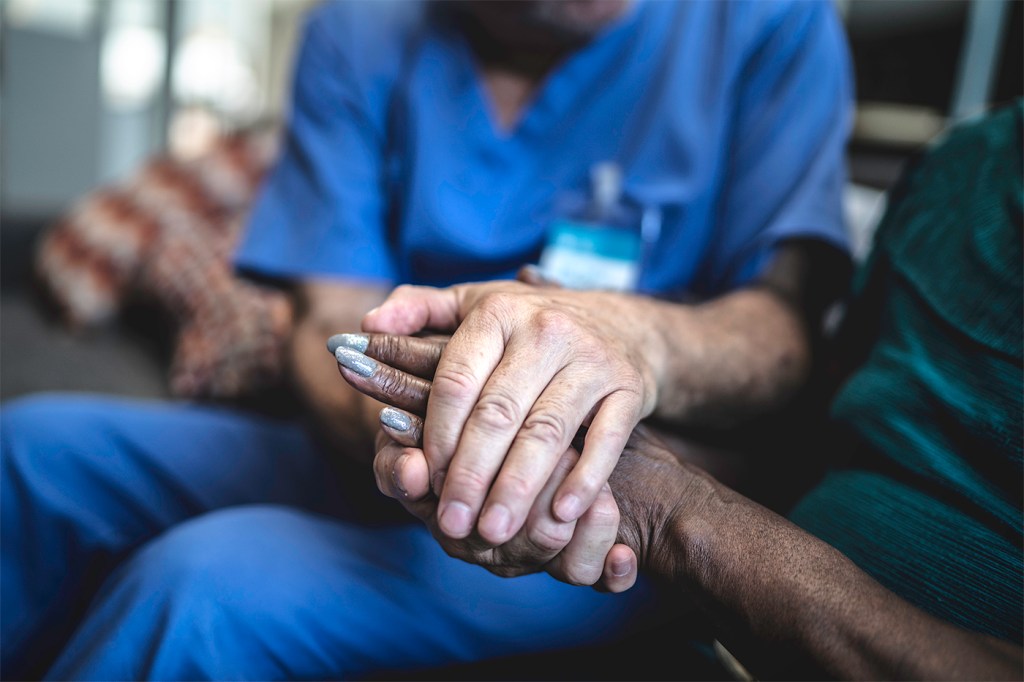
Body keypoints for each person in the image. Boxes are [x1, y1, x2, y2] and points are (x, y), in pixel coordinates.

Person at [1, 1, 853, 678]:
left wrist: (631, 341)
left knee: (203, 588)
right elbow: (328, 320)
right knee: (27, 451)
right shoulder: (356, 31)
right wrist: (442, 433)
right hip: (374, 442)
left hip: (602, 498)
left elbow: (782, 332)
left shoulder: (769, 23)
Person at [344, 102, 1024, 679]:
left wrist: (679, 513)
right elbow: (823, 431)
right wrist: (576, 449)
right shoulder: (959, 167)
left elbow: (780, 332)